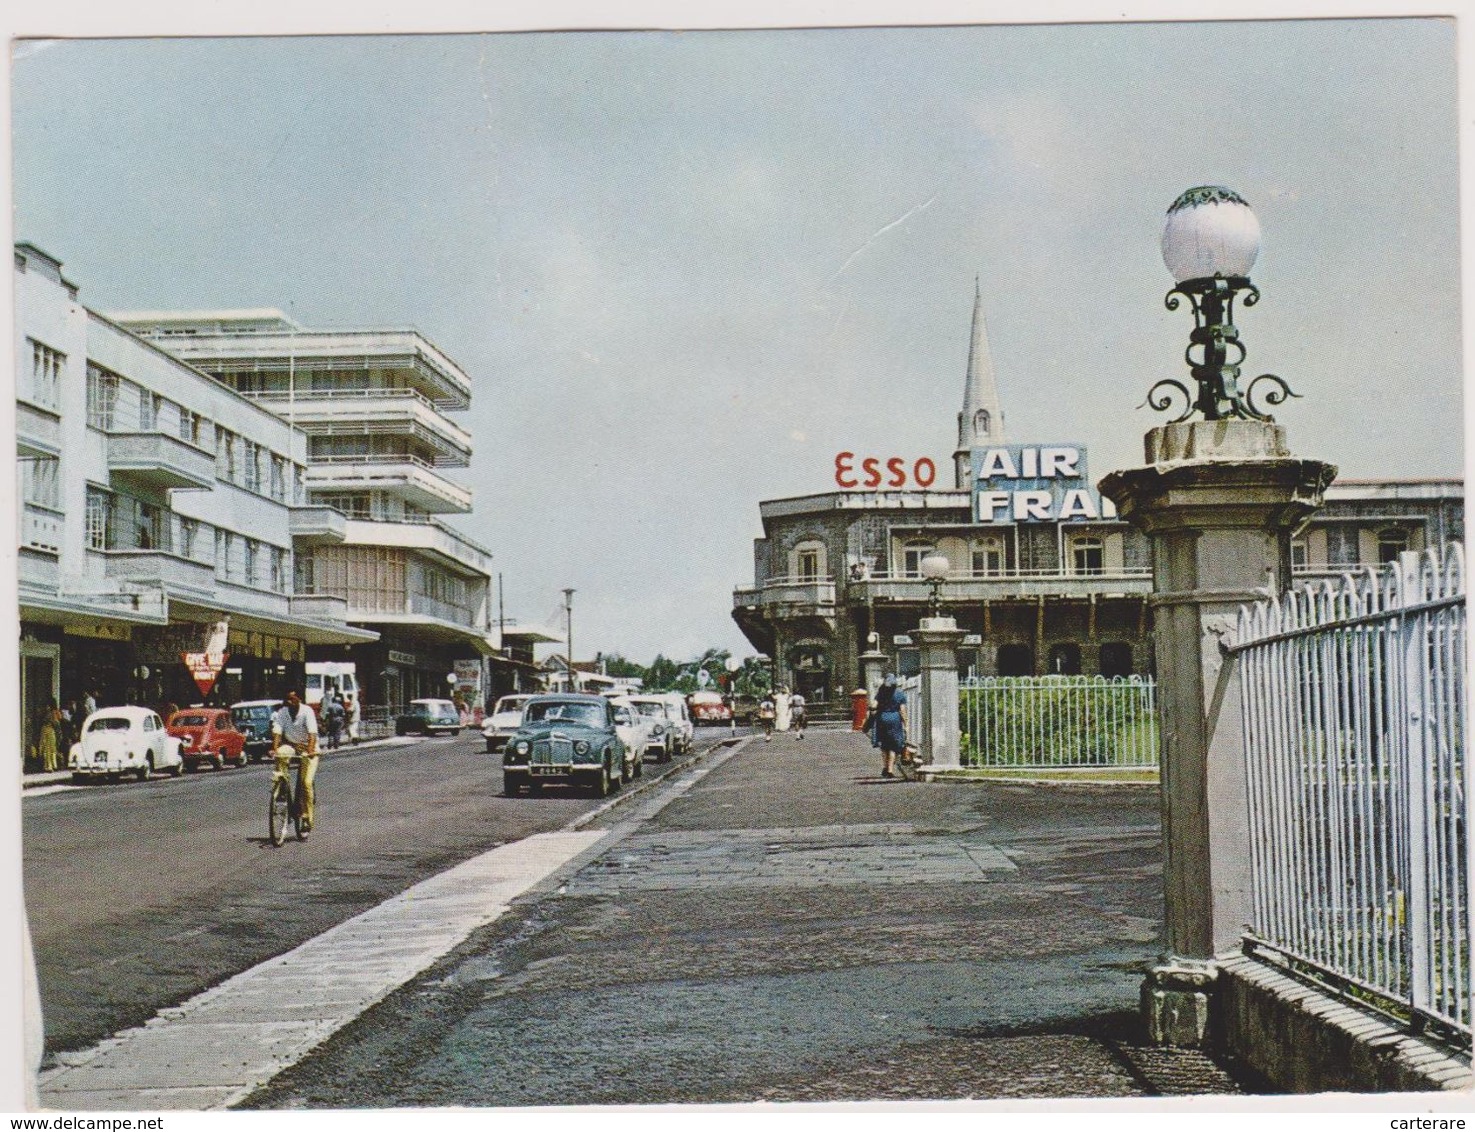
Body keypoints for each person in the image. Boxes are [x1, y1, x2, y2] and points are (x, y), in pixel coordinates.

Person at [271, 689, 320, 835]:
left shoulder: (307, 711)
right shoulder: (282, 712)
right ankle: (282, 785)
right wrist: (274, 749)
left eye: (292, 699)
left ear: (299, 699)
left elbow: (312, 734)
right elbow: (277, 733)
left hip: (308, 749)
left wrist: (310, 751)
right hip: (292, 746)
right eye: (287, 699)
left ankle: (307, 818)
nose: (289, 702)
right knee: (280, 753)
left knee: (306, 783)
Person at [870, 674, 909, 779]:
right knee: (893, 746)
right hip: (895, 719)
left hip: (882, 718)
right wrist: (906, 724)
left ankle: (885, 767)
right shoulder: (900, 694)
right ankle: (890, 770)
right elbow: (902, 711)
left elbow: (873, 705)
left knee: (884, 745)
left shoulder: (881, 693)